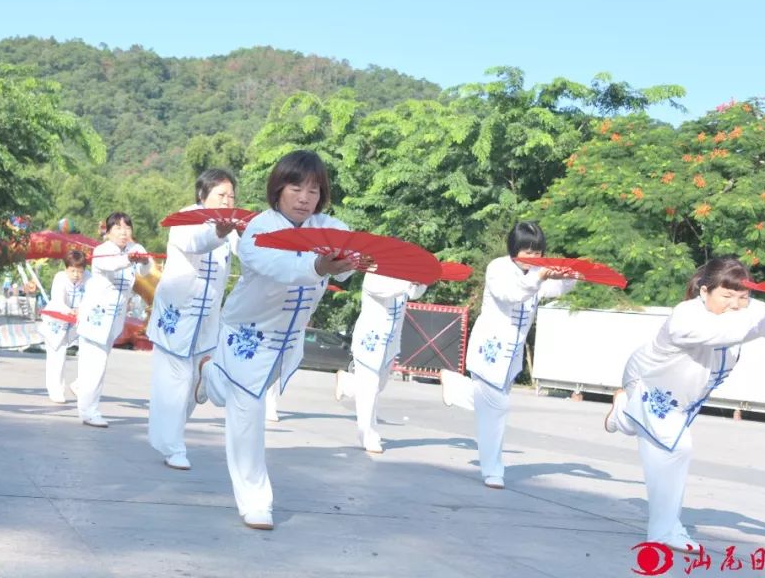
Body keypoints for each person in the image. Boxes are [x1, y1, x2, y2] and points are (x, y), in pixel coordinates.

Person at [194, 150, 357, 530]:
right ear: (277, 189)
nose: (304, 198)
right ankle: (255, 500)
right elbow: (277, 267)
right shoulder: (259, 231)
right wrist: (319, 265)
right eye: (296, 187)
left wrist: (352, 260)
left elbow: (349, 261)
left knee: (229, 393)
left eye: (314, 190)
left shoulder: (330, 227)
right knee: (247, 412)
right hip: (247, 334)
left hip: (286, 342)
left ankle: (208, 371)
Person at [603, 257, 765, 550]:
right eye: (727, 295)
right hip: (648, 384)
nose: (736, 303)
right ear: (704, 291)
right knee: (675, 448)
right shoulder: (685, 315)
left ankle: (623, 414)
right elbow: (727, 331)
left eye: (743, 297)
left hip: (681, 399)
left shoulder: (745, 311)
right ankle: (663, 531)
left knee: (662, 436)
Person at [441, 221, 575, 490]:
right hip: (489, 349)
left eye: (537, 252)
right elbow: (511, 295)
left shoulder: (537, 272)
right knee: (497, 409)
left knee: (491, 407)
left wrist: (570, 277)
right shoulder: (498, 268)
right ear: (514, 248)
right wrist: (538, 278)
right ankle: (493, 469)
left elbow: (552, 290)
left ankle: (456, 388)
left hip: (511, 357)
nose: (533, 258)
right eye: (527, 251)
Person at [147, 169, 239, 470]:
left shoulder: (233, 226)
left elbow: (248, 254)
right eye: (220, 195)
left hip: (207, 320)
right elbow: (196, 243)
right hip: (177, 315)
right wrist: (220, 233)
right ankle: (173, 446)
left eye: (231, 196)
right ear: (202, 195)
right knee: (174, 381)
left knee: (190, 389)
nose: (227, 200)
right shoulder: (185, 218)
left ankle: (173, 437)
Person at [74, 213, 153, 427]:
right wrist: (130, 258)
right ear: (107, 232)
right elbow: (112, 266)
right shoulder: (102, 251)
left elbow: (146, 272)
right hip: (96, 316)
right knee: (96, 365)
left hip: (114, 319)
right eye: (117, 228)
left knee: (96, 363)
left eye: (127, 228)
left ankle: (82, 390)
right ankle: (89, 411)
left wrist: (143, 259)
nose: (123, 232)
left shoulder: (134, 250)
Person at [335, 274, 426, 453]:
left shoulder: (401, 281)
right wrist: (409, 281)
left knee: (378, 386)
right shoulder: (374, 275)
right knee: (370, 387)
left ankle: (347, 383)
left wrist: (423, 281)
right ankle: (367, 434)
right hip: (369, 341)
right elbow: (384, 291)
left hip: (390, 343)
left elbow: (413, 293)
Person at [43, 250, 89, 403]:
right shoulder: (60, 278)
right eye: (73, 270)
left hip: (77, 321)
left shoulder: (89, 278)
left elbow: (91, 298)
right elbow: (57, 300)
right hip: (56, 320)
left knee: (89, 352)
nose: (76, 274)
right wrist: (70, 310)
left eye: (80, 271)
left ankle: (80, 385)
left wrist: (81, 310)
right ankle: (56, 390)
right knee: (57, 355)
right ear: (66, 268)